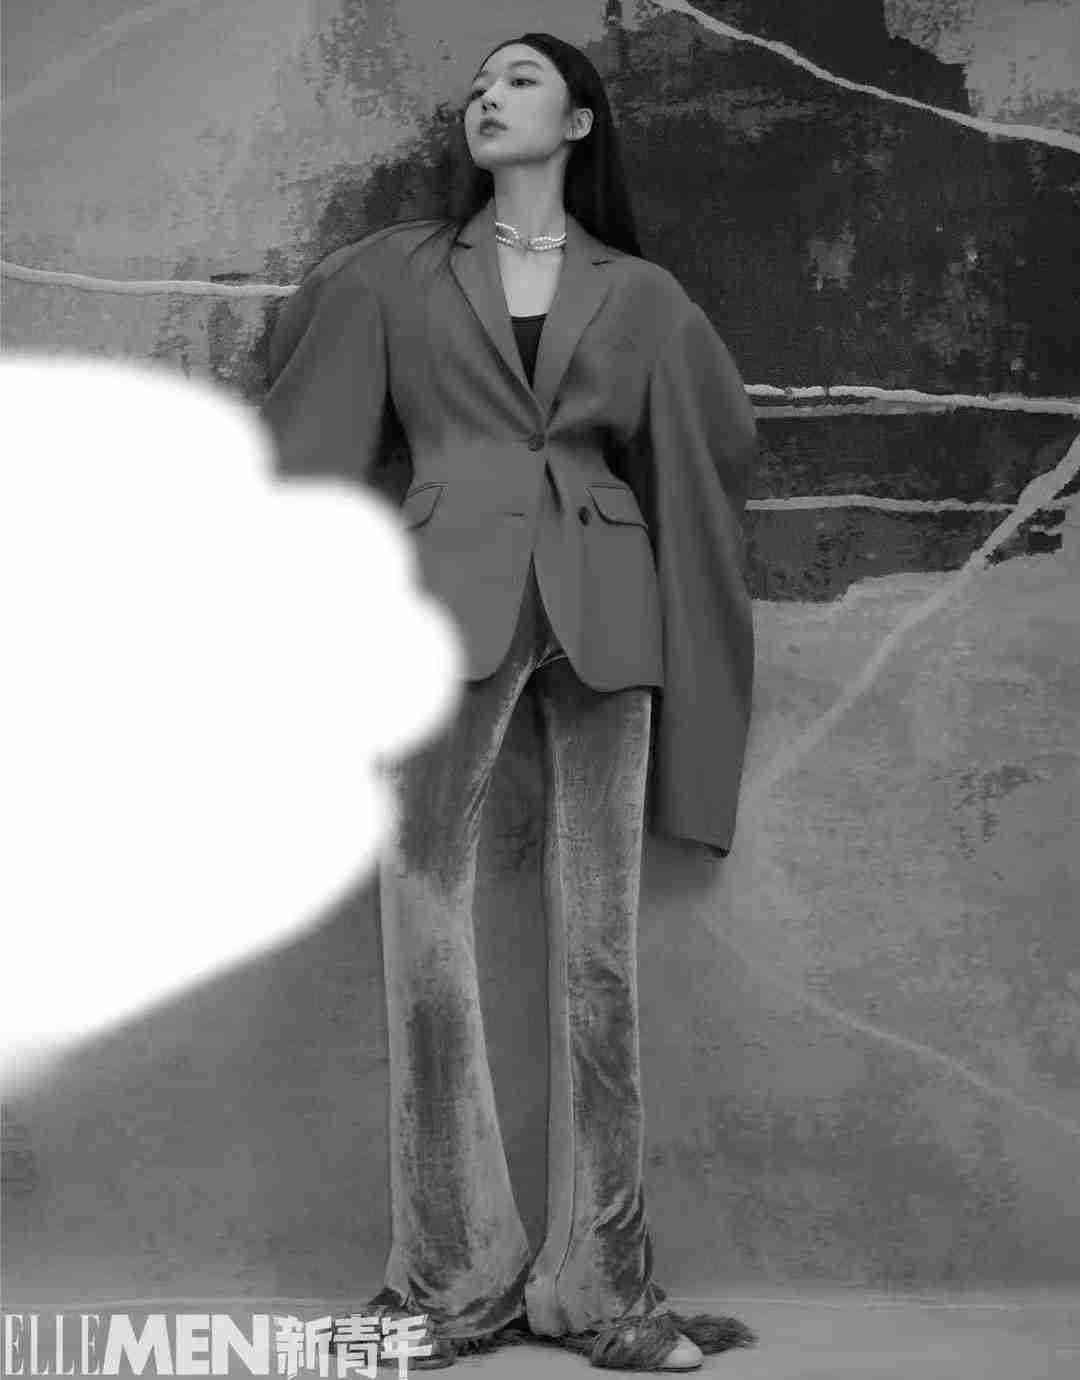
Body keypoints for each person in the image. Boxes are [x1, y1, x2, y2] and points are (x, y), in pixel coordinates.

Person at [260, 31, 758, 1373]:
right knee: (422, 924)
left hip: (608, 603)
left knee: (601, 952)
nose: (488, 96)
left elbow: (710, 455)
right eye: (478, 85)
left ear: (579, 122)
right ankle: (451, 1281)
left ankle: (603, 1286)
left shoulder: (640, 295)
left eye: (520, 80)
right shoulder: (394, 270)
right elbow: (306, 427)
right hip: (440, 603)